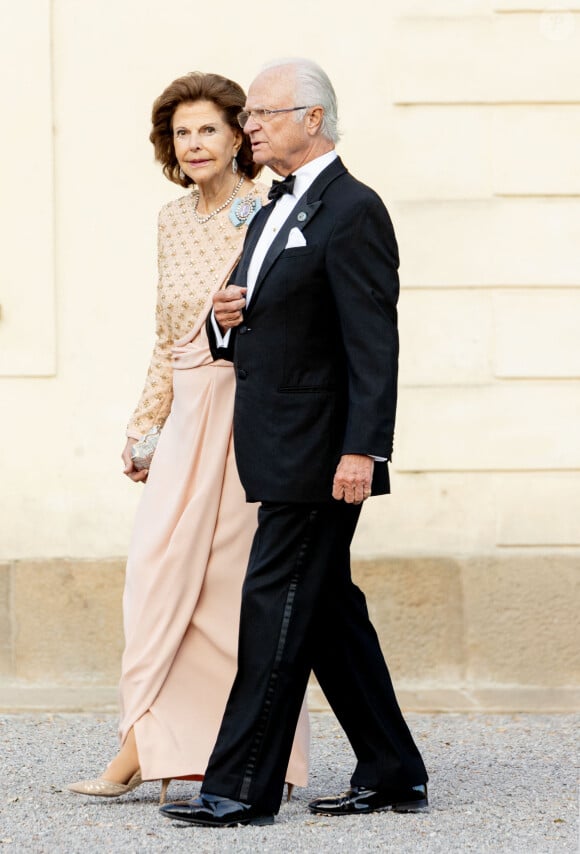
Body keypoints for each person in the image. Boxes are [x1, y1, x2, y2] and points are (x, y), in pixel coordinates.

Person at [160, 58, 429, 829]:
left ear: (313, 119)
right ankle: (393, 769)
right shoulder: (273, 206)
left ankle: (240, 788)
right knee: (327, 611)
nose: (251, 127)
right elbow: (250, 320)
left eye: (264, 115)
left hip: (321, 452)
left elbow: (374, 343)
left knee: (272, 602)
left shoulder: (354, 210)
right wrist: (224, 316)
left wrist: (364, 450)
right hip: (274, 442)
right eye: (251, 116)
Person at [67, 71, 309, 803]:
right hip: (185, 415)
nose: (194, 143)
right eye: (182, 132)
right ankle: (146, 739)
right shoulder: (172, 220)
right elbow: (166, 333)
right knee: (154, 578)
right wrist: (145, 424)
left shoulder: (270, 212)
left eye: (208, 128)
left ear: (240, 135)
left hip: (247, 413)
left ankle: (226, 756)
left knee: (227, 591)